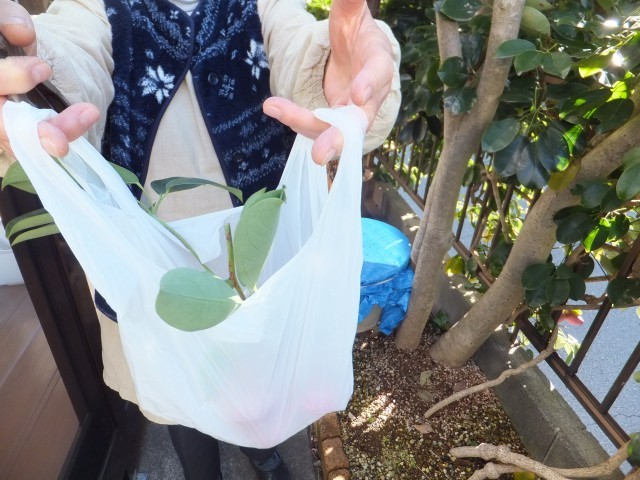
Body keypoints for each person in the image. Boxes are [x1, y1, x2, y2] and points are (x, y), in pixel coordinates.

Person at [0, 0, 400, 478]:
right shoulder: (94, 6)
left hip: (255, 259)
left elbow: (299, 48)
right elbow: (74, 53)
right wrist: (32, 85)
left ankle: (261, 452)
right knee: (178, 384)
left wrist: (340, 71)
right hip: (156, 269)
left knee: (251, 375)